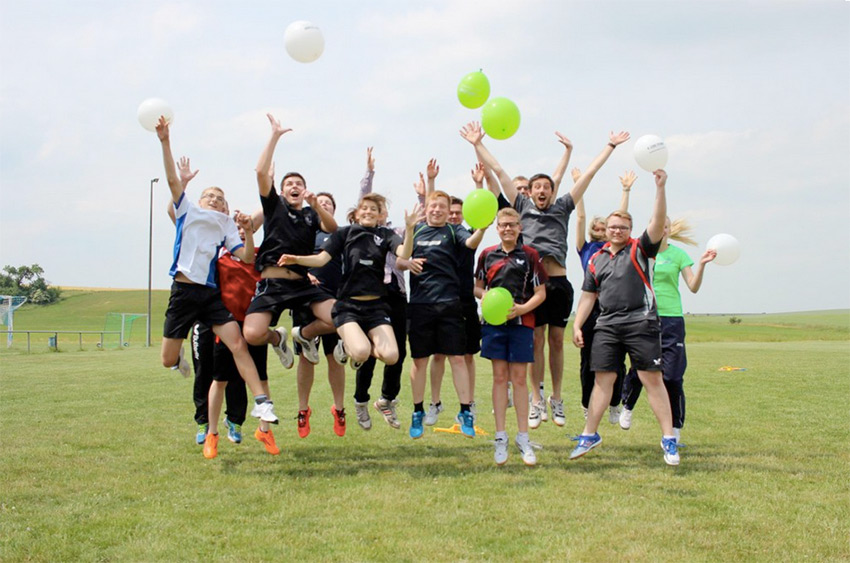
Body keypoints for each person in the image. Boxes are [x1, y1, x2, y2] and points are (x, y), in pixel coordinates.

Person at [461, 121, 629, 430]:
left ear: (552, 191)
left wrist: (610, 146)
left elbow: (588, 175)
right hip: (533, 284)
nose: (541, 191)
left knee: (556, 340)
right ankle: (536, 401)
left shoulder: (563, 207)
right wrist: (477, 144)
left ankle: (556, 397)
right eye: (536, 187)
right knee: (536, 340)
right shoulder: (521, 205)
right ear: (530, 191)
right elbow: (498, 171)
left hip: (560, 284)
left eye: (546, 187)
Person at [153, 116, 278, 428]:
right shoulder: (188, 211)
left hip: (210, 296)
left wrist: (249, 231)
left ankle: (262, 403)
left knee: (237, 344)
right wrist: (165, 141)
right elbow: (171, 183)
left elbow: (247, 257)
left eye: (221, 199)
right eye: (211, 196)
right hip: (183, 292)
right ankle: (177, 357)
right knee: (168, 359)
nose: (216, 200)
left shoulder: (225, 225)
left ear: (225, 209)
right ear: (199, 201)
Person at [570, 169, 680, 466]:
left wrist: (660, 189)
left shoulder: (640, 249)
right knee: (602, 381)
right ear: (605, 229)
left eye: (623, 227)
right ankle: (589, 435)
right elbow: (588, 296)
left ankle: (669, 438)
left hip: (640, 322)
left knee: (650, 378)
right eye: (613, 226)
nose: (617, 230)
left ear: (630, 230)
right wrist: (577, 324)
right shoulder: (596, 258)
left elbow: (657, 223)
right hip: (606, 325)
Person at [278, 194, 419, 393]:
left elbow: (405, 254)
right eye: (365, 208)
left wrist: (410, 229)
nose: (369, 212)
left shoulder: (386, 235)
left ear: (380, 215)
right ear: (357, 213)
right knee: (361, 353)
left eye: (374, 209)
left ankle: (348, 346)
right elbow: (320, 260)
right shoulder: (344, 233)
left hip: (376, 308)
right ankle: (351, 346)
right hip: (348, 307)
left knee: (391, 356)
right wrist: (296, 259)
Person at [242, 114, 338, 373]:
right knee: (252, 334)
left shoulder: (311, 214)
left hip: (301, 284)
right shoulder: (274, 206)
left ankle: (304, 334)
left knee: (341, 317)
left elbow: (333, 228)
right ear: (282, 191)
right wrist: (274, 136)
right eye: (289, 184)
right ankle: (278, 338)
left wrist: (317, 204)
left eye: (299, 184)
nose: (294, 186)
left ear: (305, 191)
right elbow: (261, 172)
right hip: (272, 284)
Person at [618, 218, 717, 441]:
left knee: (672, 377)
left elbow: (693, 287)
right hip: (645, 317)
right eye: (657, 225)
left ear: (669, 230)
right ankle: (628, 405)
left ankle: (675, 426)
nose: (662, 229)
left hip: (672, 320)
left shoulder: (679, 255)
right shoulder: (640, 252)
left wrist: (701, 264)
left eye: (665, 225)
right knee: (639, 368)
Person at [407, 189, 487, 439]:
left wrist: (482, 228)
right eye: (434, 206)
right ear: (427, 207)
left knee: (458, 358)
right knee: (420, 360)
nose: (438, 210)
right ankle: (418, 410)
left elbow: (470, 243)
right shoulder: (417, 229)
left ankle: (465, 411)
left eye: (443, 206)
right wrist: (409, 230)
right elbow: (402, 255)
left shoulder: (453, 230)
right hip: (420, 305)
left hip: (449, 304)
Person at [476, 208, 547, 466]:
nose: (507, 229)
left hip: (522, 323)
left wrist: (522, 309)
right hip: (494, 325)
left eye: (512, 225)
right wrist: (485, 298)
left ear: (520, 227)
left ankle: (523, 437)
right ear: (497, 228)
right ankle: (500, 437)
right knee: (499, 378)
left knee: (519, 379)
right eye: (503, 225)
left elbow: (540, 293)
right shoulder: (486, 254)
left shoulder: (530, 256)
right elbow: (477, 286)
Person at [351, 150, 411, 431]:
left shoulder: (394, 231)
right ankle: (361, 400)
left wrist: (426, 194)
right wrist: (369, 172)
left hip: (395, 295)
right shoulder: (360, 232)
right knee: (368, 354)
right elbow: (363, 199)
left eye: (379, 209)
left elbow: (417, 225)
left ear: (385, 213)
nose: (375, 211)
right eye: (371, 208)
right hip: (372, 296)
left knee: (397, 351)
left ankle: (387, 399)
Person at [573, 168, 636, 423]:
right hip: (591, 309)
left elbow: (621, 218)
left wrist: (625, 191)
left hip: (613, 308)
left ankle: (614, 402)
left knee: (617, 361)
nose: (601, 231)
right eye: (597, 228)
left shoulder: (616, 245)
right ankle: (588, 404)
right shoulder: (585, 248)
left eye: (604, 228)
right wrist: (579, 187)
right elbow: (579, 216)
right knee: (588, 361)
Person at [291, 189, 347, 439]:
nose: (323, 205)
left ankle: (339, 408)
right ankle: (303, 410)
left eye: (329, 203)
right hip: (305, 297)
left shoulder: (340, 234)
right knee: (307, 358)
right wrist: (304, 274)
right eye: (320, 202)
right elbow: (288, 259)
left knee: (334, 356)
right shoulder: (302, 232)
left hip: (334, 297)